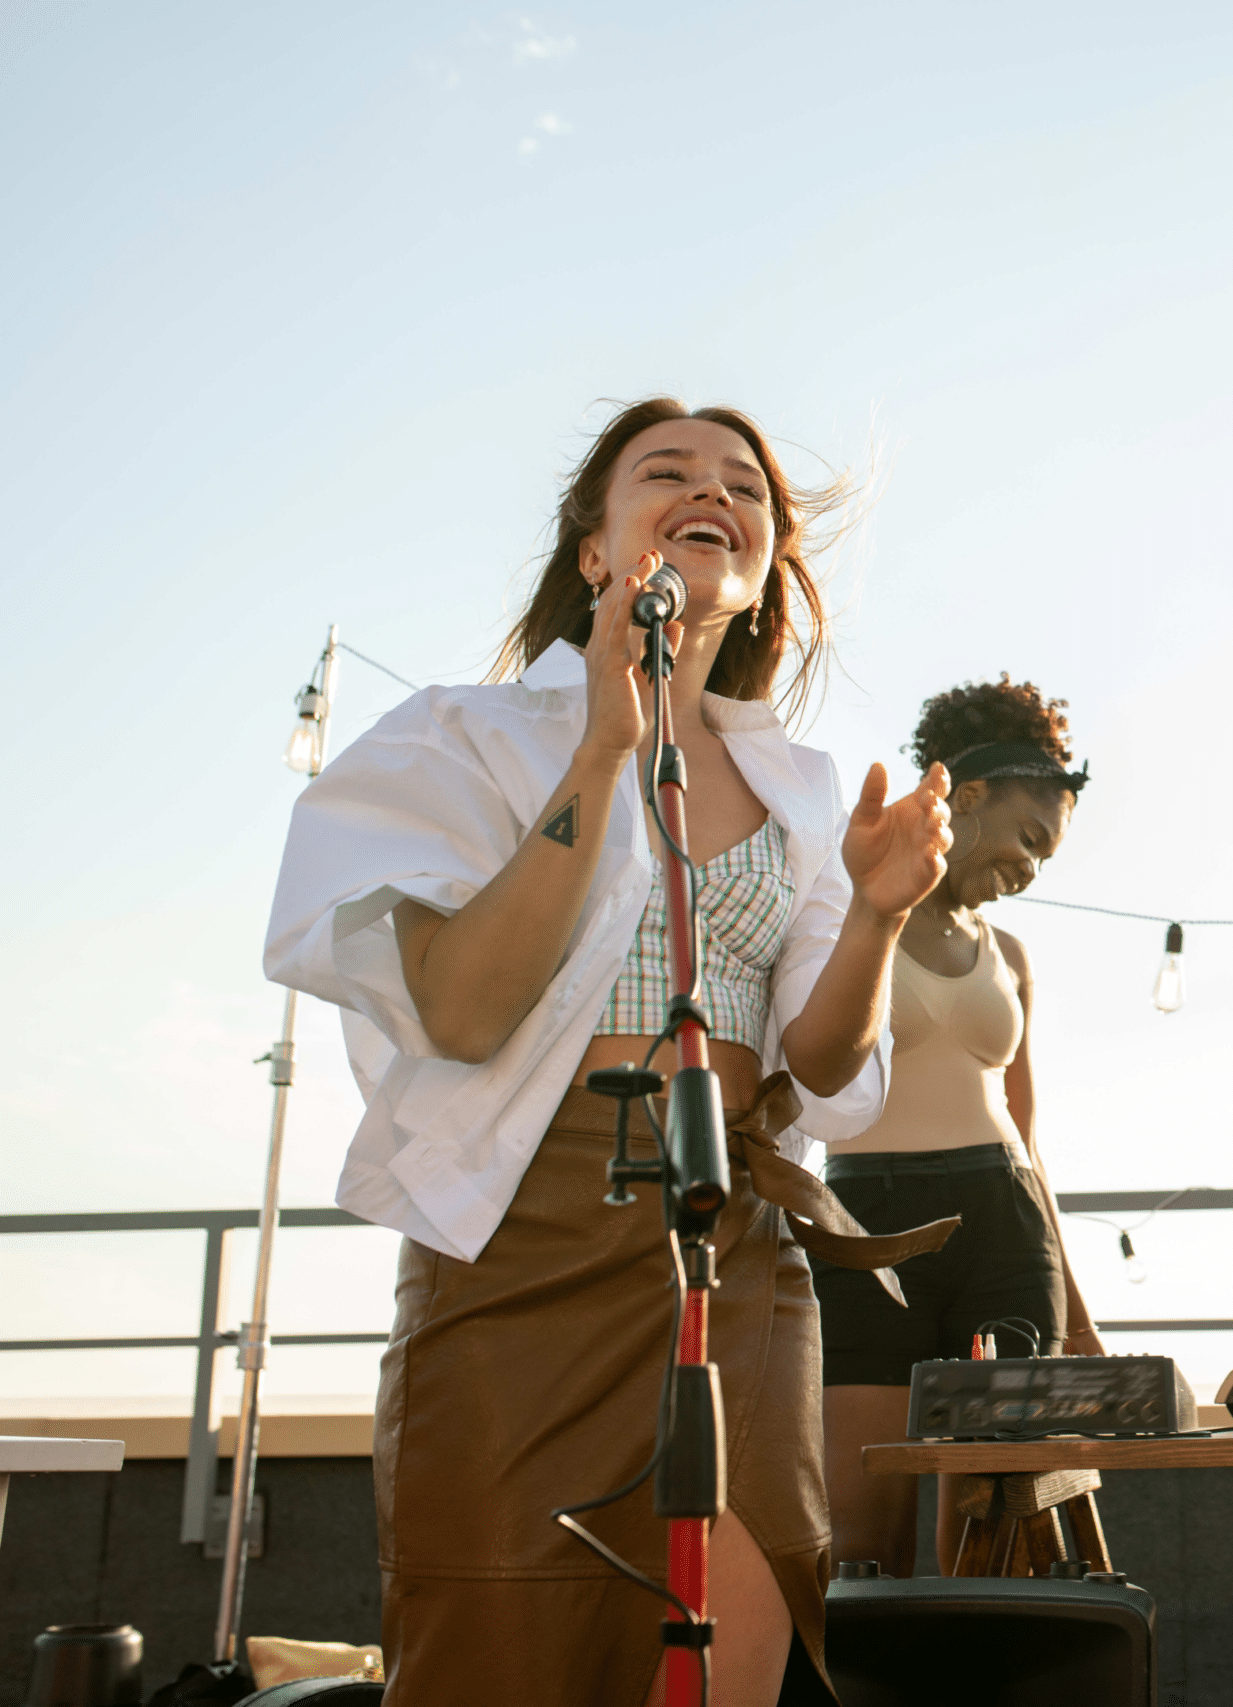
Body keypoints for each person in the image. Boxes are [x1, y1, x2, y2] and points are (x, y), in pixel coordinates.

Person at [265, 398, 959, 1707]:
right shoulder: (460, 738)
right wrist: (603, 742)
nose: (713, 488)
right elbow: (465, 1011)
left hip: (737, 1242)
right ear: (597, 550)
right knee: (501, 1636)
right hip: (527, 1244)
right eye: (668, 471)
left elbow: (821, 1063)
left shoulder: (802, 783)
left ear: (763, 572)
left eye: (743, 483)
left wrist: (876, 911)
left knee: (737, 1640)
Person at [812, 676, 1103, 1575]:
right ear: (966, 798)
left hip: (1004, 1232)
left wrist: (1082, 1317)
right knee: (861, 1548)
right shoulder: (851, 905)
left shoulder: (1008, 955)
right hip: (865, 1233)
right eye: (1029, 837)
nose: (1032, 866)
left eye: (1047, 856)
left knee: (994, 1540)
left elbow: (1025, 1131)